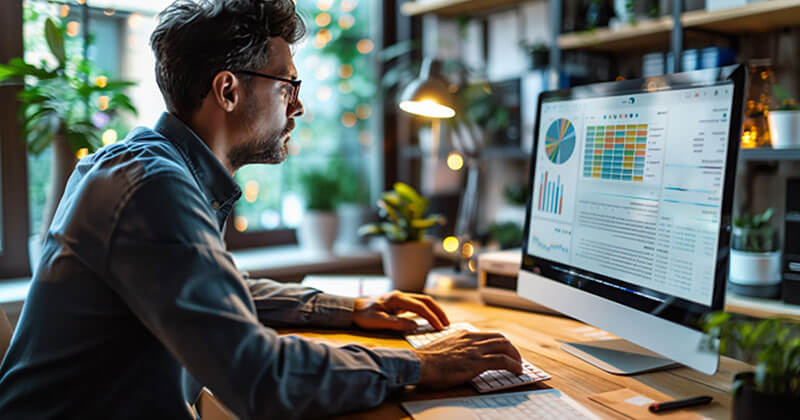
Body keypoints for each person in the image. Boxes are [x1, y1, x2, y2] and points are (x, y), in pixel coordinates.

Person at [0, 0, 523, 418]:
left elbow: (212, 284)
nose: (298, 105)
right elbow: (257, 377)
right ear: (227, 90)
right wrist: (416, 365)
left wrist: (347, 308)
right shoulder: (152, 185)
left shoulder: (145, 166)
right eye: (288, 85)